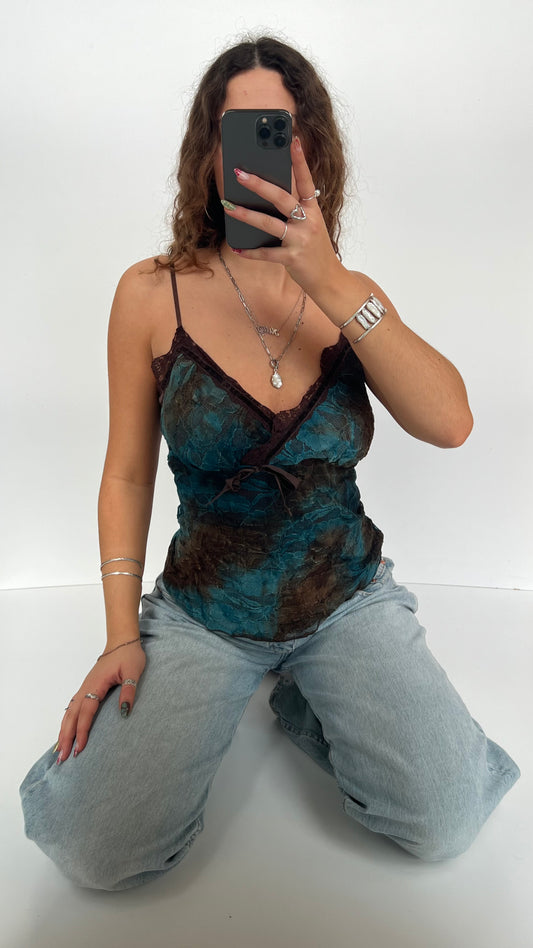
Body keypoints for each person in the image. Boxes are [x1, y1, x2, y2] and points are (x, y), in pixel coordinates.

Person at [20, 36, 520, 891]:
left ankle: (305, 699)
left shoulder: (351, 294)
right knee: (96, 852)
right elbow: (127, 473)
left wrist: (330, 282)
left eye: (279, 129)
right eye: (239, 129)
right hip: (205, 608)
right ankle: (242, 695)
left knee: (443, 820)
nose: (259, 151)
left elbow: (451, 423)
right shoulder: (150, 292)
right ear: (207, 151)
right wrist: (119, 635)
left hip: (344, 594)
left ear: (311, 145)